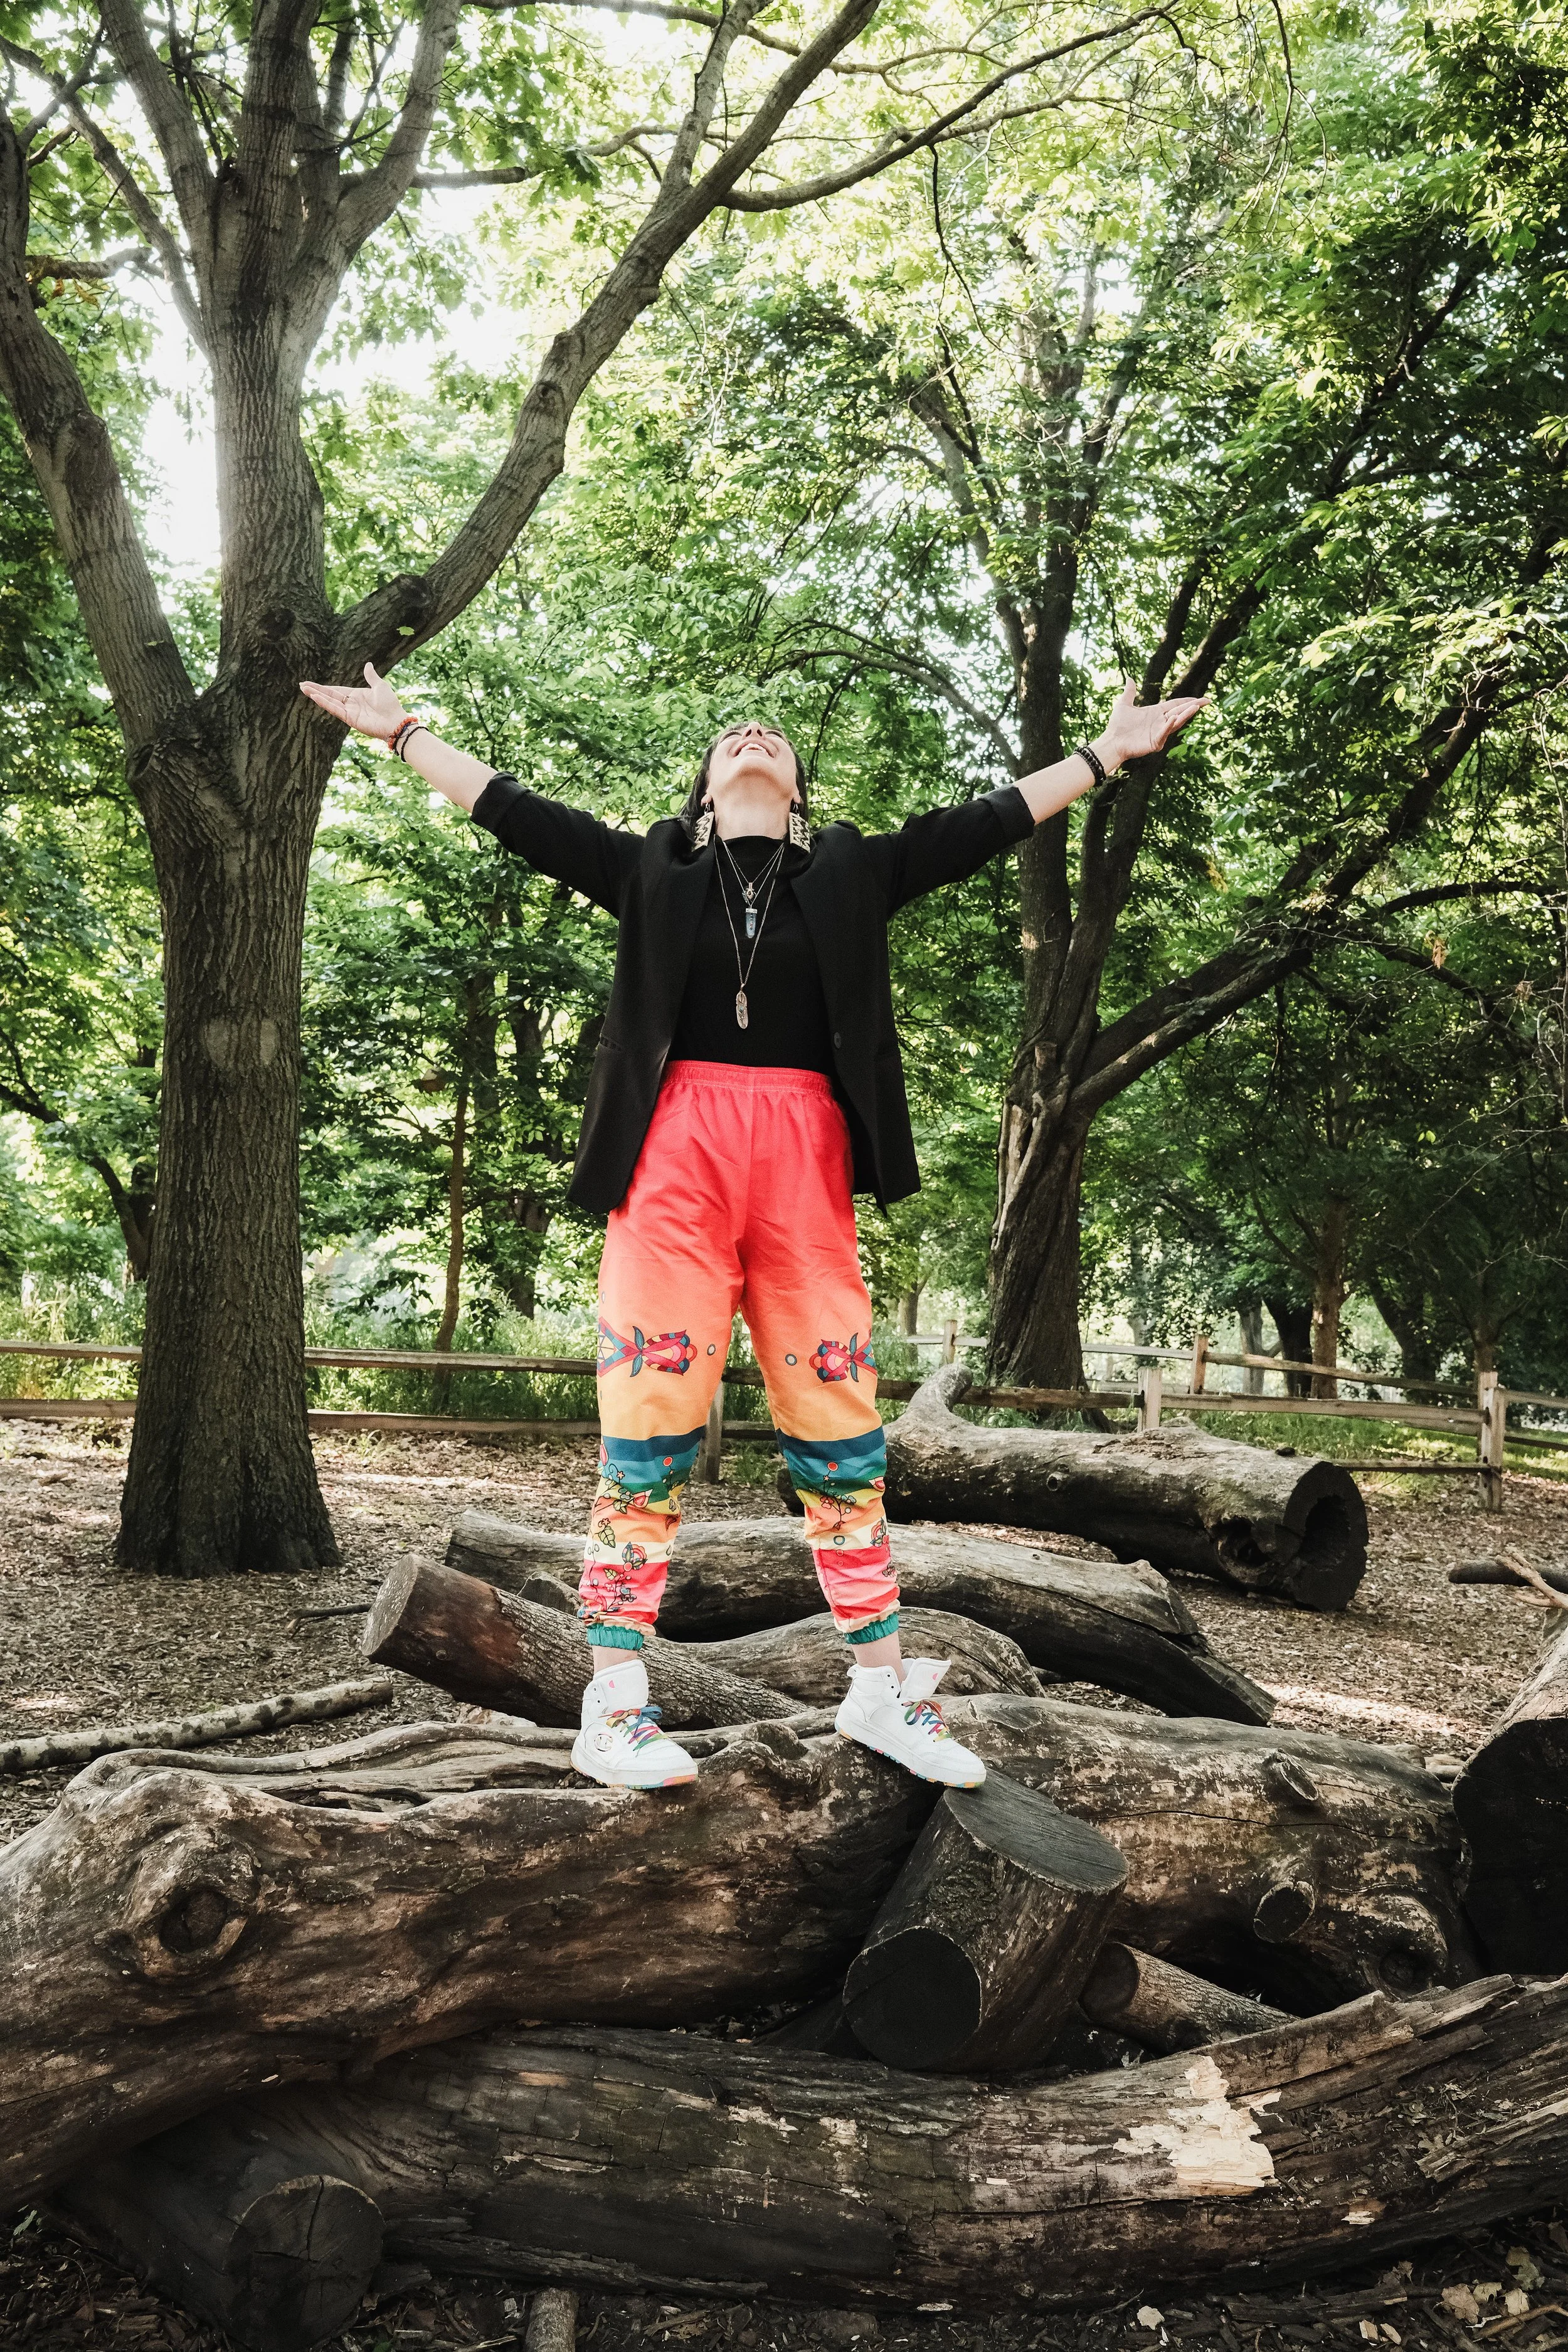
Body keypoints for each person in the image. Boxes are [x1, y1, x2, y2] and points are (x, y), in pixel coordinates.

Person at [300, 665, 1206, 1791]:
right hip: (674, 1160)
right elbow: (515, 811)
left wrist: (1106, 752)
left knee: (839, 1422)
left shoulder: (853, 871)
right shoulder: (652, 868)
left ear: (796, 790)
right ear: (705, 790)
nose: (753, 736)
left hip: (805, 1164)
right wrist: (405, 736)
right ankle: (615, 1701)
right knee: (650, 1420)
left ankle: (878, 1689)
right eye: (733, 734)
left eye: (771, 734)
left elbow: (986, 822)